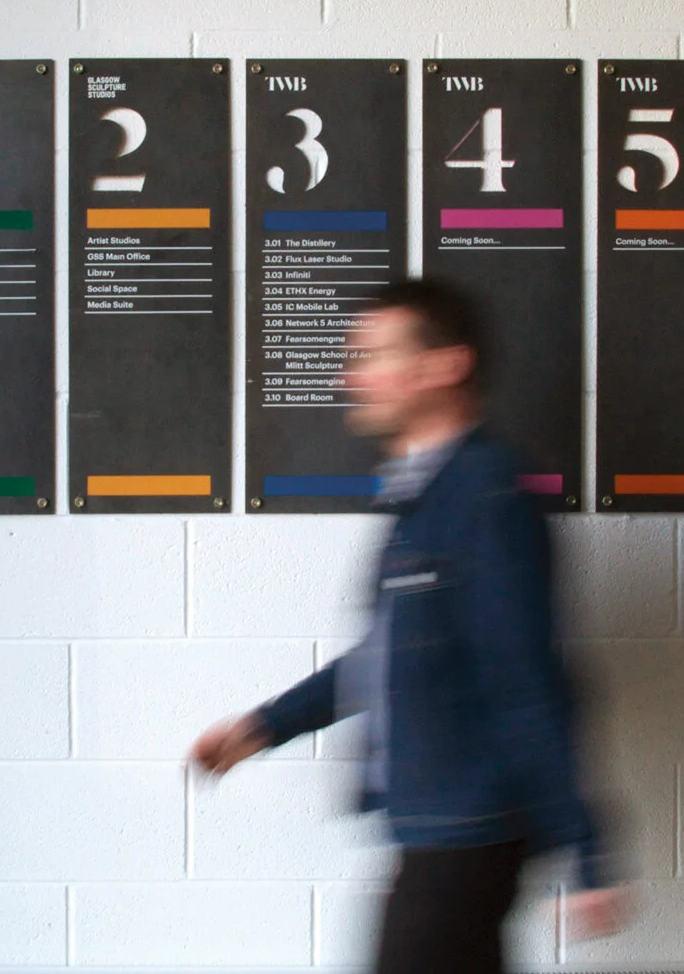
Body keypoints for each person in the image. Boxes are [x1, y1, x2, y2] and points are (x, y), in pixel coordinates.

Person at [190, 278, 627, 973]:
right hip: (437, 825)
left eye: (373, 356)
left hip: (468, 827)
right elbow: (386, 654)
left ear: (444, 366)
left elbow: (527, 679)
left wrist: (585, 849)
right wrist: (264, 727)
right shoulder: (425, 496)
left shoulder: (486, 494)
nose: (352, 376)